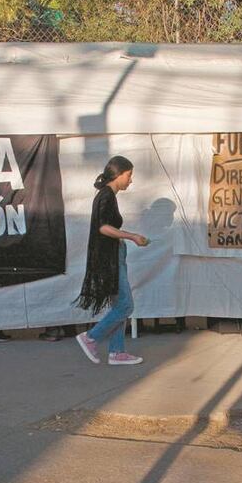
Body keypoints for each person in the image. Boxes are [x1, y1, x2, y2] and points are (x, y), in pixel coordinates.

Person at [74, 156, 149, 365]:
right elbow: (103, 227)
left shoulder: (107, 195)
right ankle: (91, 337)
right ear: (118, 174)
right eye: (129, 175)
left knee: (119, 304)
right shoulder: (106, 195)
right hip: (109, 257)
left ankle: (117, 352)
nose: (130, 180)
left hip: (113, 254)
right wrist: (132, 236)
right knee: (126, 305)